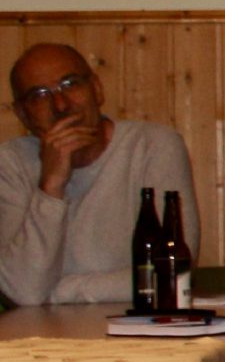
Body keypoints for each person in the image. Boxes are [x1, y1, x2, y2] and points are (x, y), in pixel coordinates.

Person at [1, 43, 197, 306]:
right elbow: (22, 290)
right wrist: (51, 186)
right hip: (46, 330)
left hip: (140, 325)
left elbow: (171, 274)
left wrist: (57, 292)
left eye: (70, 84)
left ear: (97, 89)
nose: (60, 105)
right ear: (23, 115)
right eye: (39, 95)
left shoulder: (153, 146)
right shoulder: (11, 163)